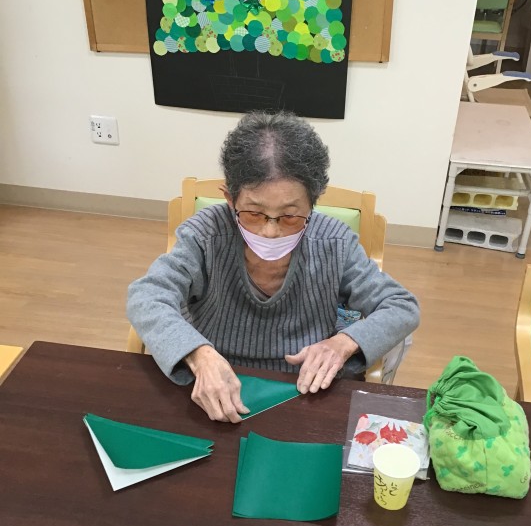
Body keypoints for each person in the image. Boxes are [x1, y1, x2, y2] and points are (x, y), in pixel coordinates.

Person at [127, 111, 419, 423]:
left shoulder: (334, 242)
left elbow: (401, 306)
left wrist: (342, 344)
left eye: (290, 216)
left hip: (306, 388)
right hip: (216, 382)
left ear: (313, 203)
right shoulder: (206, 235)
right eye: (253, 213)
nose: (270, 231)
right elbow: (146, 296)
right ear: (230, 199)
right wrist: (199, 355)